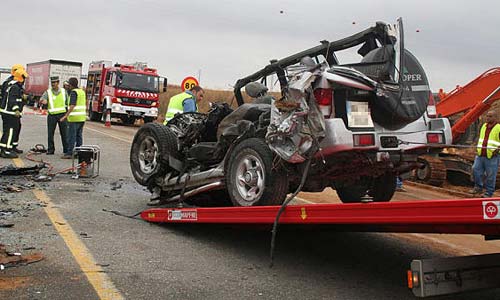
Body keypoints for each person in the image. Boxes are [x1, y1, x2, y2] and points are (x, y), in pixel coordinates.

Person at [470, 110, 500, 198]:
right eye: (487, 116)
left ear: (495, 118)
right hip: (480, 154)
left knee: (491, 174)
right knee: (475, 169)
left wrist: (497, 150)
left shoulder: (498, 127)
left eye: (490, 116)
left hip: (492, 155)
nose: (487, 118)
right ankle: (478, 187)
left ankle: (489, 192)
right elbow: (480, 138)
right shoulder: (483, 126)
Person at [0, 68, 28, 158]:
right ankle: (5, 150)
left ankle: (11, 147)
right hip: (10, 113)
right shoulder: (14, 87)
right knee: (10, 131)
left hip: (9, 113)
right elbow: (12, 100)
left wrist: (24, 98)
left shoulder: (14, 86)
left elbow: (18, 99)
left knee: (14, 129)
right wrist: (16, 109)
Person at [40, 76, 68, 155]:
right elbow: (42, 99)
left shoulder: (63, 91)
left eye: (55, 82)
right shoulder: (48, 92)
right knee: (50, 133)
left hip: (62, 115)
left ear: (58, 83)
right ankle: (51, 149)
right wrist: (43, 101)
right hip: (52, 115)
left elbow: (67, 103)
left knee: (64, 133)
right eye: (52, 82)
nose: (53, 84)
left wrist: (67, 115)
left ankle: (66, 149)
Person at [60, 77, 86, 159]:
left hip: (74, 118)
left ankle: (69, 153)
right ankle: (79, 153)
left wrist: (65, 116)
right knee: (79, 136)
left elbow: (72, 105)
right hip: (82, 118)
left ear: (71, 85)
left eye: (68, 85)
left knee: (72, 136)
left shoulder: (73, 93)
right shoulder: (81, 91)